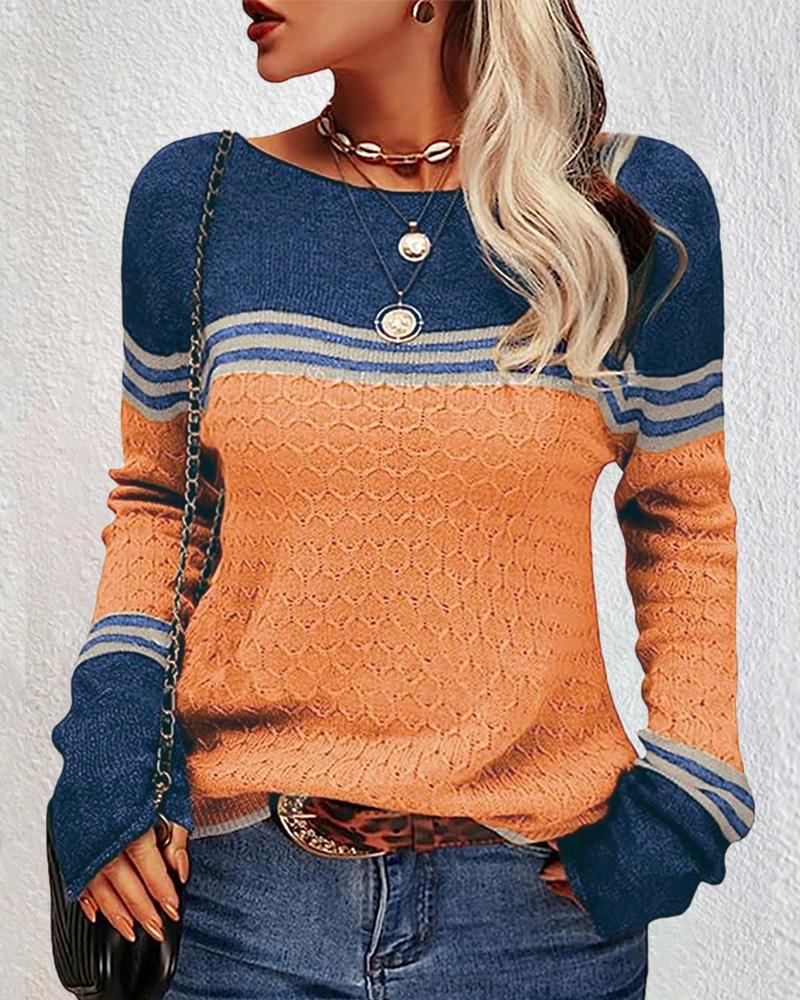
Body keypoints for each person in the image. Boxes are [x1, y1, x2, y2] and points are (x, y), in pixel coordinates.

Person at [47, 1, 755, 996]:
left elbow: (680, 511)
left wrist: (692, 786)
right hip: (233, 904)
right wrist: (108, 753)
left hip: (536, 924)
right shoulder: (196, 200)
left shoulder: (629, 202)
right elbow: (162, 502)